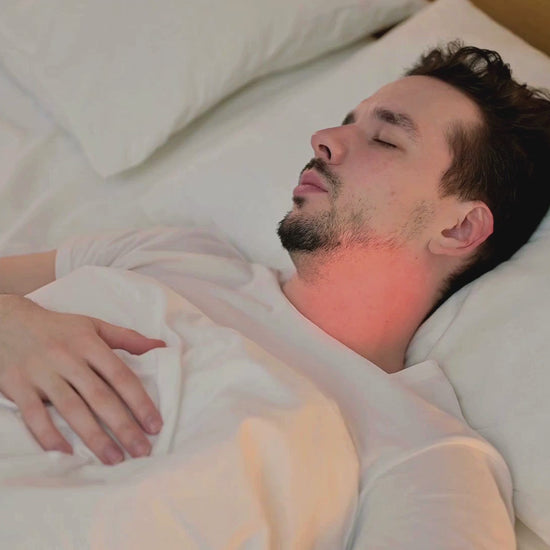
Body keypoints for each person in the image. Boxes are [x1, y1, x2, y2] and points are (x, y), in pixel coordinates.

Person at [0, 42, 549, 545]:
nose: (324, 140)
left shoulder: (424, 456)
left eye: (385, 139)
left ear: (458, 228)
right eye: (346, 123)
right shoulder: (171, 253)